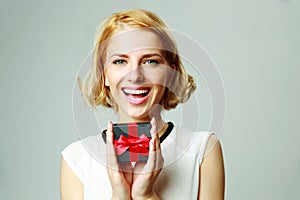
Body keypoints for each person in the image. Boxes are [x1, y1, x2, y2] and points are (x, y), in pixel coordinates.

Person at [60, 9, 225, 200]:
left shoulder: (202, 149)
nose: (135, 76)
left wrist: (146, 196)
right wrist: (119, 196)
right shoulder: (77, 158)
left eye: (150, 61)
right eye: (120, 61)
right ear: (104, 74)